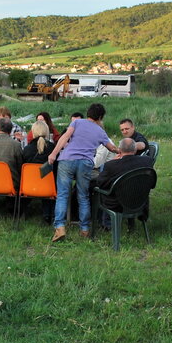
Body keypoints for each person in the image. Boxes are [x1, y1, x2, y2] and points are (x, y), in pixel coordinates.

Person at [48, 103, 119, 242]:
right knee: (83, 196)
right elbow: (111, 148)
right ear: (100, 117)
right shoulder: (100, 131)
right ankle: (85, 229)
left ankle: (60, 227)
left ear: (88, 113)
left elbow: (64, 137)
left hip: (67, 160)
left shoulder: (77, 122)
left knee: (62, 195)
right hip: (85, 163)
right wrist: (119, 151)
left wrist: (53, 154)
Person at [96, 138, 154, 218]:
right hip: (140, 201)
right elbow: (152, 184)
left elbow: (100, 183)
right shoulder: (147, 161)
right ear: (135, 150)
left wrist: (112, 161)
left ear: (119, 150)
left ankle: (106, 222)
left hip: (118, 204)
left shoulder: (111, 165)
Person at [23, 120, 57, 222]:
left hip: (28, 186)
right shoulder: (53, 148)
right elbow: (56, 168)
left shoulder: (27, 149)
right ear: (46, 132)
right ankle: (49, 214)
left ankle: (23, 211)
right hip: (48, 187)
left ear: (33, 132)